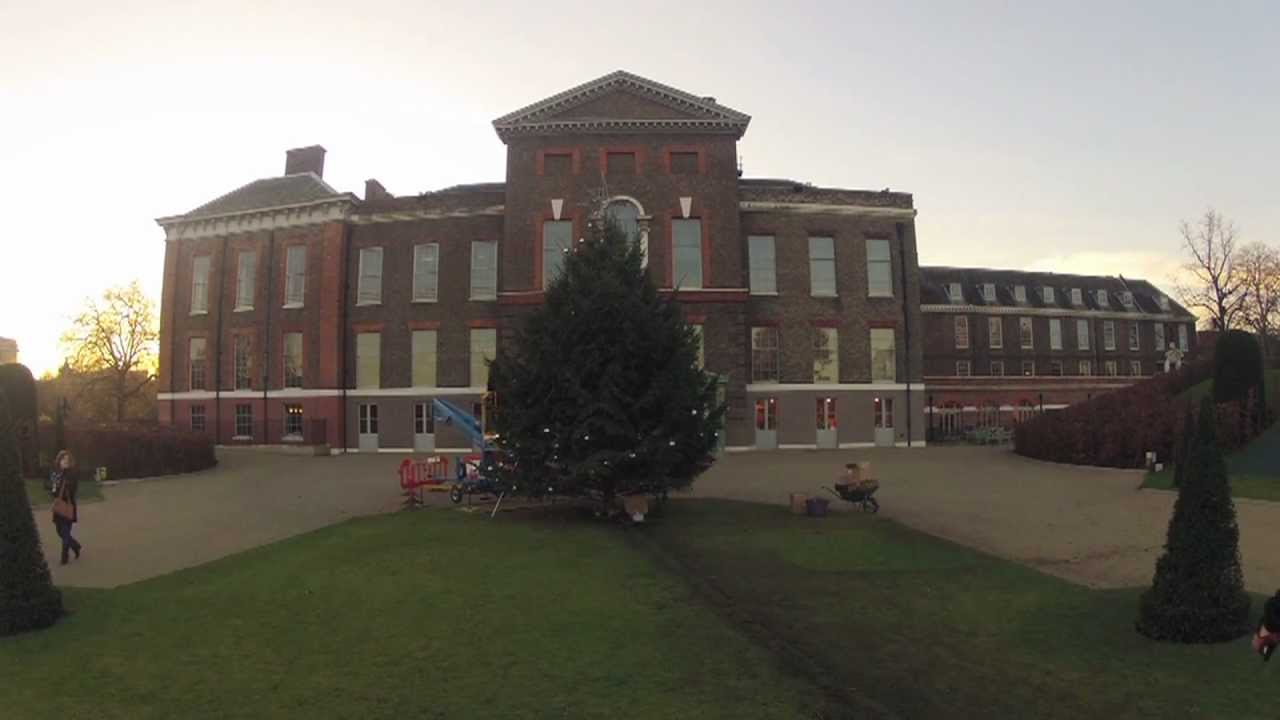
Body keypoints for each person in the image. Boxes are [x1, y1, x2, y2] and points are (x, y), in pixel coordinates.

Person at [50, 450, 83, 566]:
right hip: (59, 506)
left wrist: (65, 481)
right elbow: (52, 490)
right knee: (60, 531)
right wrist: (53, 486)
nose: (65, 462)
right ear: (59, 461)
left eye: (67, 460)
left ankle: (64, 557)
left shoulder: (72, 474)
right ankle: (75, 546)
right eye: (63, 459)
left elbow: (73, 490)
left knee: (65, 531)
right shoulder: (56, 473)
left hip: (68, 506)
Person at [1254, 591, 1280, 661]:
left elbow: (1267, 614)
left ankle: (1266, 654)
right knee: (1270, 643)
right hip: (1271, 626)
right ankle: (1266, 654)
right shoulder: (1272, 603)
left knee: (1269, 643)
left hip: (1269, 626)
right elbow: (1270, 616)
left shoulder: (1270, 601)